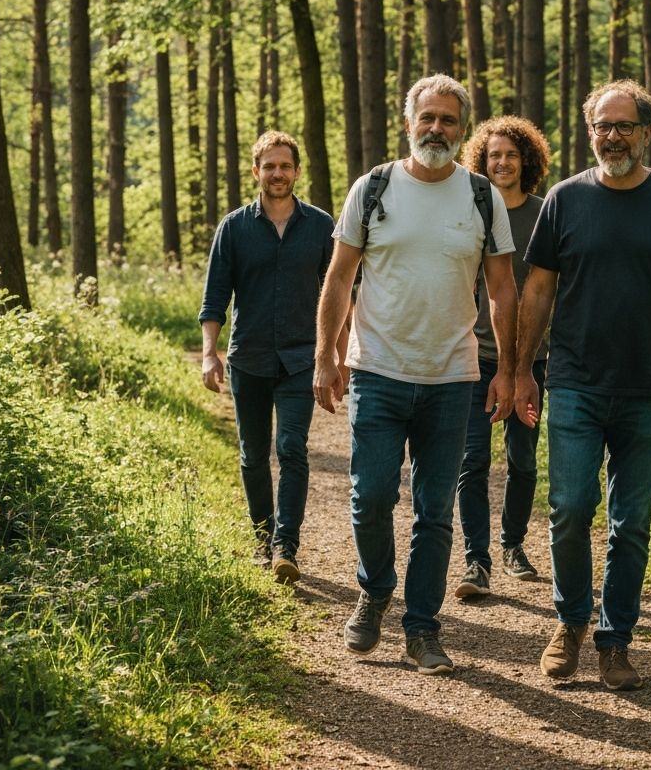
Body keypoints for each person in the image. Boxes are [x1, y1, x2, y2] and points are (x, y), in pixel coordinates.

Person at [514, 80, 651, 692]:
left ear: (646, 133)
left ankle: (615, 640)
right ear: (591, 133)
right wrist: (522, 367)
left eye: (623, 126)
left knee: (631, 522)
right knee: (571, 508)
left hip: (650, 387)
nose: (612, 136)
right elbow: (537, 289)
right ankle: (571, 621)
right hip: (576, 381)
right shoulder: (563, 199)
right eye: (602, 127)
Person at [313, 74, 518, 677]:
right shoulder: (373, 188)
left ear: (463, 128)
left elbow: (502, 289)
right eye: (427, 118)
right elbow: (338, 277)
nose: (436, 129)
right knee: (371, 495)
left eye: (448, 120)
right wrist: (327, 355)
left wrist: (507, 369)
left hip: (452, 377)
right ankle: (375, 591)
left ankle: (423, 628)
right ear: (409, 123)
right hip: (376, 369)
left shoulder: (483, 197)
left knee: (434, 509)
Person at [199, 130, 335, 585]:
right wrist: (209, 353)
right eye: (269, 166)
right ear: (256, 171)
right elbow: (215, 296)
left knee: (291, 448)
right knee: (253, 454)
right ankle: (263, 535)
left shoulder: (320, 226)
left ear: (297, 171)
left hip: (300, 359)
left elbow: (339, 293)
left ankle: (286, 545)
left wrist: (336, 353)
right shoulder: (234, 228)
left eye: (285, 166)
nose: (278, 173)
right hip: (249, 359)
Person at [454, 116, 552, 599]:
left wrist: (528, 363)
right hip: (474, 357)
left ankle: (513, 544)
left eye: (511, 154)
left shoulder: (544, 213)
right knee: (471, 460)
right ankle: (476, 559)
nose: (502, 162)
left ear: (526, 160)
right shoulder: (469, 211)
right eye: (494, 155)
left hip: (533, 361)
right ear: (481, 160)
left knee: (522, 459)